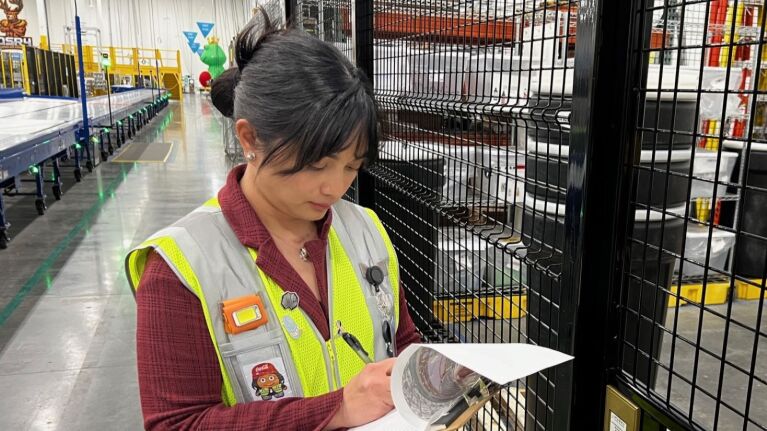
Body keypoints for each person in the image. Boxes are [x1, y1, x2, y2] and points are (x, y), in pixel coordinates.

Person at [125, 8, 422, 431]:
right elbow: (177, 423)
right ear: (249, 139)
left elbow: (402, 342)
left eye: (352, 166)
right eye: (316, 165)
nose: (334, 188)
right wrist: (335, 410)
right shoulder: (181, 268)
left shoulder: (365, 229)